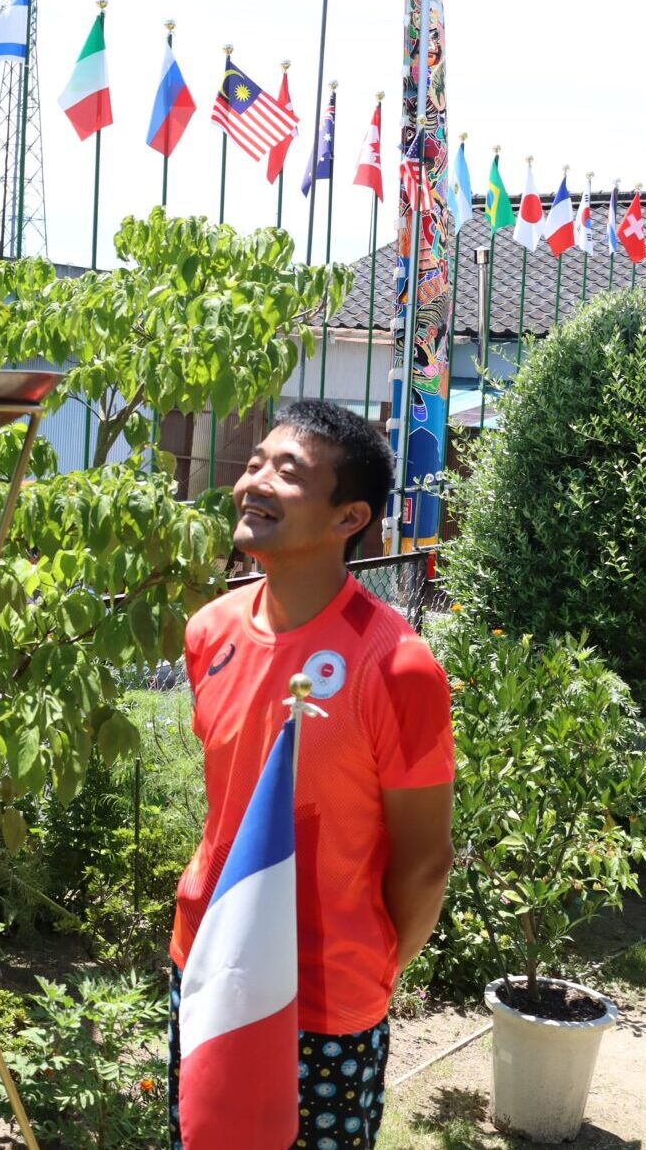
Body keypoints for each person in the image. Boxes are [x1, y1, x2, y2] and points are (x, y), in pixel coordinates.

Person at [167, 400, 455, 1150]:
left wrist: (370, 961)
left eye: (286, 471)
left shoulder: (396, 664)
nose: (253, 481)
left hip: (326, 1000)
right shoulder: (210, 632)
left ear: (347, 516)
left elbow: (424, 860)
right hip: (208, 962)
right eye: (255, 461)